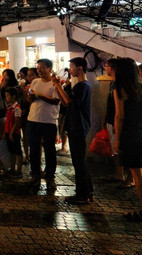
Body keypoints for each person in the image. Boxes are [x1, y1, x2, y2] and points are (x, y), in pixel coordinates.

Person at [113, 57, 142, 221]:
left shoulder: (121, 88)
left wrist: (117, 139)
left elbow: (119, 116)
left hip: (131, 135)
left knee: (137, 174)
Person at [53, 57, 93, 204]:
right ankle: (86, 191)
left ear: (80, 68)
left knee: (79, 161)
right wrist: (58, 87)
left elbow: (70, 101)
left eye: (72, 66)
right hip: (75, 126)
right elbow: (65, 102)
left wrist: (58, 85)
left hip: (79, 127)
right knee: (78, 161)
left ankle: (83, 194)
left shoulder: (83, 86)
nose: (70, 69)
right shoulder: (79, 86)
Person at [26, 59, 61, 190]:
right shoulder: (35, 82)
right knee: (34, 149)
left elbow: (56, 101)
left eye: (42, 68)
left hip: (49, 121)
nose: (39, 70)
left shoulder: (55, 83)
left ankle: (50, 176)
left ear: (50, 69)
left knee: (49, 149)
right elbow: (29, 98)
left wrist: (39, 96)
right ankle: (35, 175)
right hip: (34, 119)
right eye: (38, 68)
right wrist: (30, 96)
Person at [3, 87, 23, 178]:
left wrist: (11, 132)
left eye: (8, 96)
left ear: (13, 96)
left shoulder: (17, 108)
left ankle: (19, 170)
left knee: (17, 151)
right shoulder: (9, 107)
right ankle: (12, 169)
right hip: (8, 132)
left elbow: (17, 122)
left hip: (14, 133)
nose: (6, 98)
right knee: (11, 152)